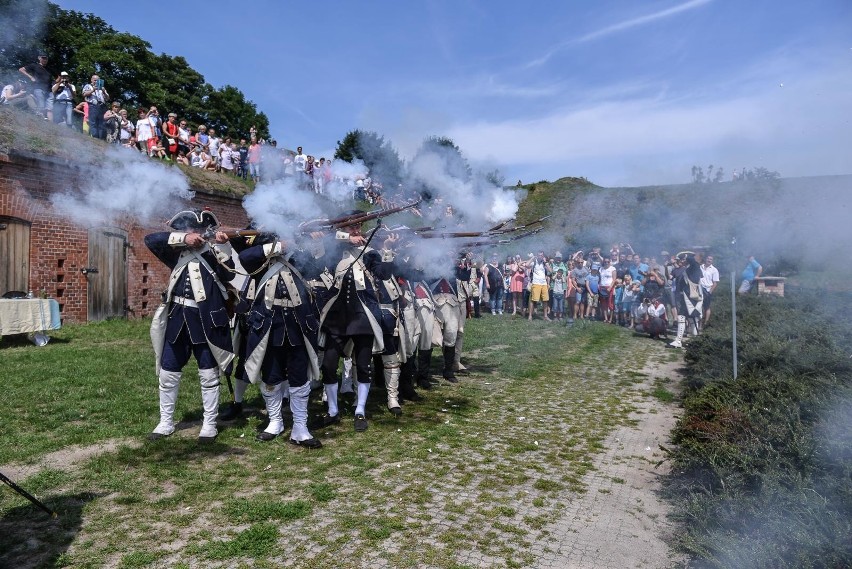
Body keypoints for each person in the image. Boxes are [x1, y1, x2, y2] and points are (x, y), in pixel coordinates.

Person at [145, 208, 237, 442]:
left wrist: (224, 246)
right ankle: (165, 422)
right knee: (168, 374)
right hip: (178, 320)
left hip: (207, 322)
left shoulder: (213, 252)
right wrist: (183, 239)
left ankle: (209, 423)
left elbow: (228, 275)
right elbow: (150, 239)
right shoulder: (175, 251)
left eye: (199, 229)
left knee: (208, 375)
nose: (195, 232)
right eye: (190, 228)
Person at [238, 235, 324, 448]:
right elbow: (245, 257)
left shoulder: (300, 256)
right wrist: (278, 246)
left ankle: (300, 428)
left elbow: (318, 268)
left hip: (298, 326)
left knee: (299, 379)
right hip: (268, 326)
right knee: (271, 376)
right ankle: (275, 421)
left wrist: (315, 244)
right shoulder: (261, 258)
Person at [316, 215, 396, 432]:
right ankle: (332, 410)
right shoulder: (334, 247)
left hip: (363, 313)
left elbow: (384, 273)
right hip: (337, 312)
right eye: (351, 226)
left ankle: (360, 410)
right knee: (329, 364)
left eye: (358, 225)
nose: (356, 229)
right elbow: (325, 244)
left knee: (363, 364)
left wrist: (387, 248)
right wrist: (346, 238)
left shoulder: (370, 252)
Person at [669, 251, 705, 348]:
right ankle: (691, 341)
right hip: (687, 297)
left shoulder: (695, 266)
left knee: (685, 318)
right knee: (690, 318)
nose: (682, 261)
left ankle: (682, 341)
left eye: (684, 259)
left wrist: (686, 256)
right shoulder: (690, 268)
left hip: (690, 298)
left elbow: (692, 261)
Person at [81, 74, 110, 139]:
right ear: (91, 80)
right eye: (95, 80)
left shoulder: (102, 88)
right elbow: (84, 94)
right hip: (93, 106)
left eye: (98, 81)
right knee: (93, 122)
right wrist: (93, 90)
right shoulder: (88, 86)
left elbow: (108, 98)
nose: (96, 82)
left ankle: (100, 138)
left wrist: (104, 92)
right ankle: (94, 136)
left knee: (101, 123)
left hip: (101, 107)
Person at [525, 251, 551, 321]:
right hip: (536, 283)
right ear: (537, 256)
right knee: (533, 300)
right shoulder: (534, 262)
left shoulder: (544, 263)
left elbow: (550, 271)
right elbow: (526, 265)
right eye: (539, 255)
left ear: (543, 256)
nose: (540, 257)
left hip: (544, 283)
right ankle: (530, 316)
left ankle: (545, 316)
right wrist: (532, 258)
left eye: (541, 255)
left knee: (545, 300)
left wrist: (546, 262)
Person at [700, 254, 720, 325]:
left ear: (712, 261)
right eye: (708, 258)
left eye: (711, 259)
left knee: (707, 307)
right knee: (699, 307)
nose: (709, 260)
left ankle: (706, 323)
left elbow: (715, 283)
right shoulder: (700, 267)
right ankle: (698, 323)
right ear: (706, 259)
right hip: (699, 289)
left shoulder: (714, 270)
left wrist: (710, 292)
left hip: (708, 290)